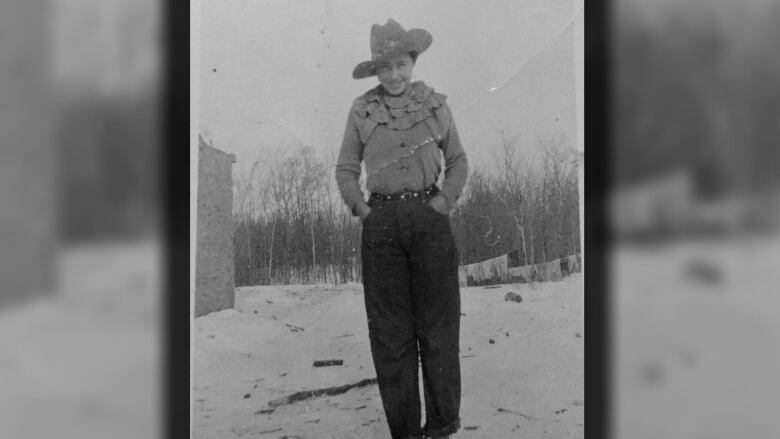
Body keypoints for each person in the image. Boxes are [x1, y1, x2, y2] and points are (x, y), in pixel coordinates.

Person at [335, 18, 469, 439]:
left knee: (438, 328)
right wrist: (363, 211)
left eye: (401, 64)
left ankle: (443, 425)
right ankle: (405, 431)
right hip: (382, 226)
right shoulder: (362, 110)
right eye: (385, 67)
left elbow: (459, 161)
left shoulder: (434, 104)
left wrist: (442, 202)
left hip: (429, 221)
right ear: (376, 70)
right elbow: (345, 169)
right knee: (391, 335)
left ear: (413, 62)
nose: (394, 75)